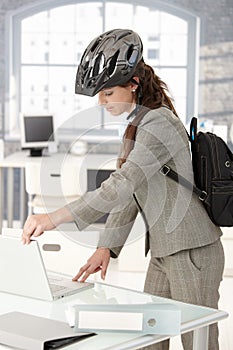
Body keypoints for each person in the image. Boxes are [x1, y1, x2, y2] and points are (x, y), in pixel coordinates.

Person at [22, 29, 224, 350]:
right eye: (99, 95)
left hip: (191, 252)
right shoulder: (137, 124)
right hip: (164, 250)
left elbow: (122, 183)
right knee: (149, 339)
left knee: (197, 342)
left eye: (108, 93)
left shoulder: (159, 124)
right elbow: (131, 193)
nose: (101, 102)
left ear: (133, 85)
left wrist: (54, 217)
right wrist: (107, 247)